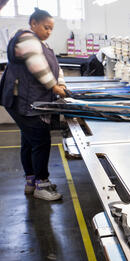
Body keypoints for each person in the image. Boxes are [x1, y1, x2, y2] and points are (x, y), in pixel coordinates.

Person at [0, 8, 67, 201]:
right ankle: (42, 184)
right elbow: (38, 66)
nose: (48, 32)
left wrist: (60, 82)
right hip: (24, 102)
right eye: (46, 27)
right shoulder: (26, 39)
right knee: (41, 141)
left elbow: (55, 66)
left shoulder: (41, 44)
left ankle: (31, 182)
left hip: (28, 102)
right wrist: (55, 87)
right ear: (33, 23)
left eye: (51, 29)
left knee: (29, 142)